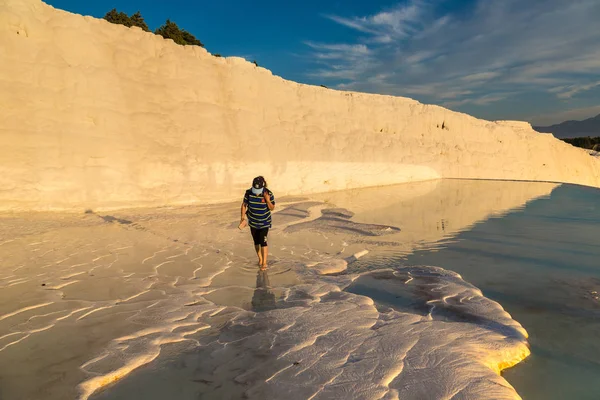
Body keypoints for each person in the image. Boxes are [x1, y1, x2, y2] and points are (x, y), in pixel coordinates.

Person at [240, 176, 275, 269]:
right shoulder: (248, 193)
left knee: (263, 241)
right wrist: (242, 218)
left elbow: (272, 208)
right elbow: (244, 205)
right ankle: (260, 258)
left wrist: (267, 200)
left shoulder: (268, 193)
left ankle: (264, 262)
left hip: (264, 222)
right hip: (253, 221)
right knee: (256, 241)